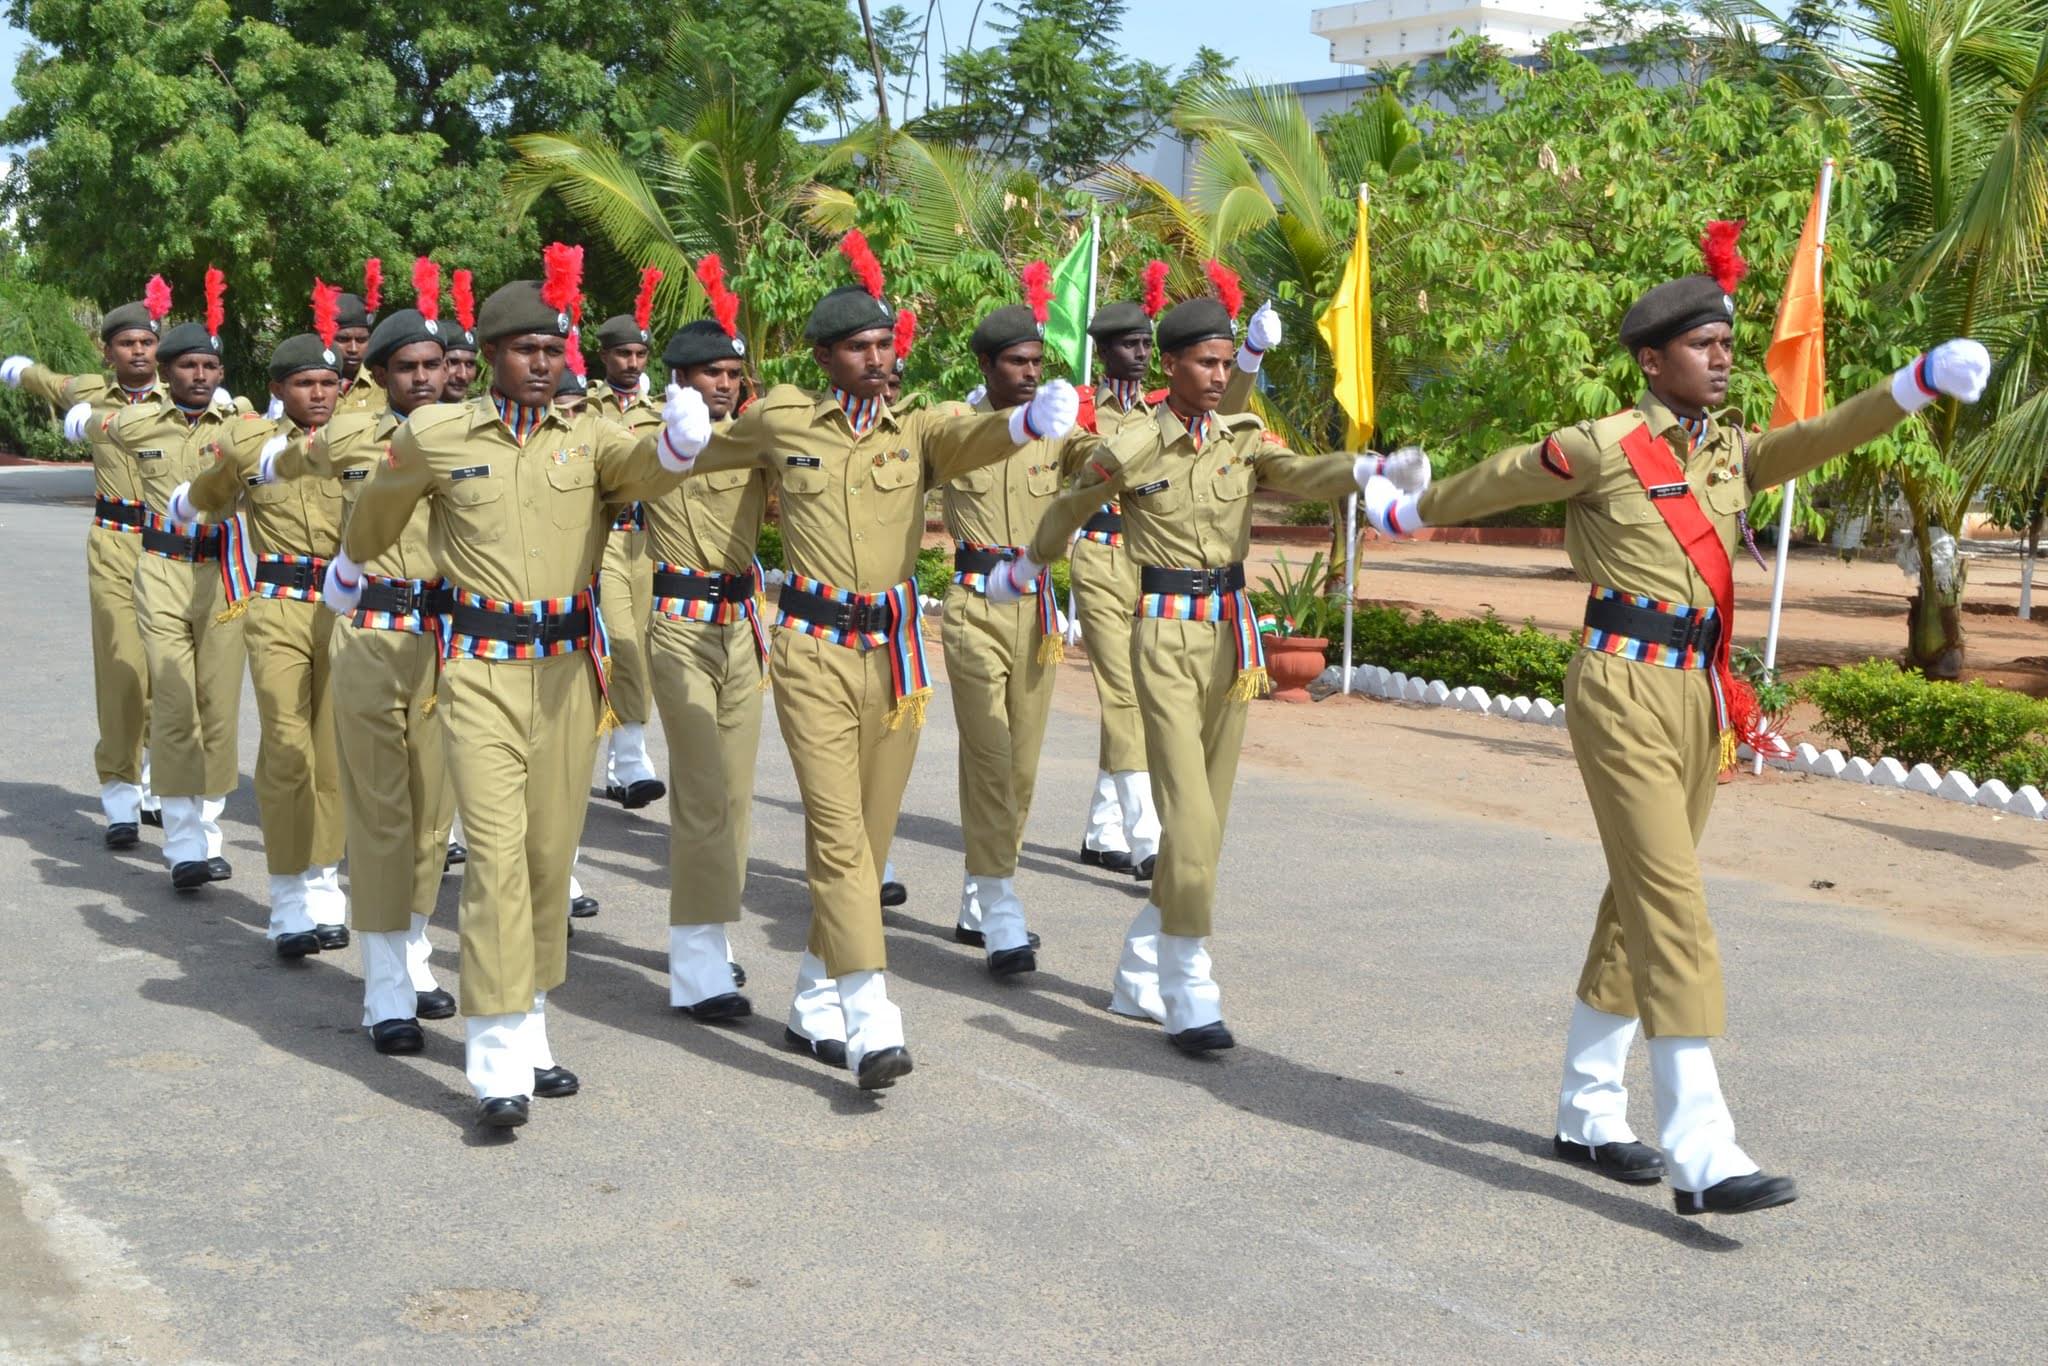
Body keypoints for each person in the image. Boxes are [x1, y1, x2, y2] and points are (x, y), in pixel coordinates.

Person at [1356, 224, 1990, 1215]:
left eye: (1727, 346)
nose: (1723, 359)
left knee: (1638, 895)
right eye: (1703, 346)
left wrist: (1911, 381)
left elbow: (1817, 434)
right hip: (1619, 683)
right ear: (1651, 359)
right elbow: (1496, 480)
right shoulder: (1602, 447)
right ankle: (1701, 1144)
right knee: (1672, 901)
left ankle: (1586, 1108)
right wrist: (1404, 511)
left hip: (1697, 693)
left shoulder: (1728, 452)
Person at [672, 231, 1087, 1088]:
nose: (876, 358)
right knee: (835, 835)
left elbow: (978, 438)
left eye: (884, 344)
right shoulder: (782, 418)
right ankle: (870, 1013)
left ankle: (814, 997)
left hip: (894, 654)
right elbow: (703, 459)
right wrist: (674, 437)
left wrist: (1023, 422)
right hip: (813, 649)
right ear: (825, 355)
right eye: (858, 347)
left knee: (869, 834)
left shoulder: (921, 429)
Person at [319, 256, 707, 1129]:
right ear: (490, 354)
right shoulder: (440, 434)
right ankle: (494, 1048)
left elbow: (646, 472)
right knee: (492, 856)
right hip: (480, 669)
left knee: (546, 858)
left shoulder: (590, 435)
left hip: (570, 672)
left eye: (552, 347)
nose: (544, 361)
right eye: (527, 348)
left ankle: (530, 1015)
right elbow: (381, 506)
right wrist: (348, 569)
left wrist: (681, 442)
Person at [990, 270, 1392, 1055]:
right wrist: (1035, 564)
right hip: (1166, 632)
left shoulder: (1240, 438)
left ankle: (1141, 962)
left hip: (1233, 637)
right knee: (1192, 818)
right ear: (1171, 365)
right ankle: (1187, 981)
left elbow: (1301, 474)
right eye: (1205, 364)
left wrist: (1368, 471)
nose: (1219, 377)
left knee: (1209, 814)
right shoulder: (1138, 443)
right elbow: (1072, 501)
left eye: (1224, 364)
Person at [267, 288, 459, 1051]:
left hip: (447, 642)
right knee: (381, 816)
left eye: (434, 364)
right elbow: (280, 464)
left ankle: (411, 948)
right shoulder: (348, 434)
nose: (422, 377)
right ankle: (384, 989)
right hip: (370, 632)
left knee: (433, 820)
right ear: (378, 373)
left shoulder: (469, 435)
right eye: (406, 366)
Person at [1070, 265, 1272, 879]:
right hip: (1104, 559)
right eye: (1126, 344)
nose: (1136, 352)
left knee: (1142, 700)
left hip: (1162, 569)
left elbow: (1226, 417)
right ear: (1104, 352)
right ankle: (1147, 835)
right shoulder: (1083, 409)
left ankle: (1102, 825)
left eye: (1142, 342)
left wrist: (1253, 356)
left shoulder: (1167, 406)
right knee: (1124, 692)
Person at [175, 313, 347, 958]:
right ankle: (286, 896)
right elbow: (207, 493)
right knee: (284, 745)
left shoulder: (356, 441)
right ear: (280, 387)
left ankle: (324, 880)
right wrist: (184, 507)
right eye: (306, 383)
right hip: (276, 606)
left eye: (330, 382)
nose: (321, 395)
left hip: (345, 609)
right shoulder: (251, 445)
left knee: (330, 750)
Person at [1, 287, 171, 847]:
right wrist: (17, 370)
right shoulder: (93, 392)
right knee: (122, 662)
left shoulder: (183, 396)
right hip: (116, 540)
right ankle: (120, 789)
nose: (139, 352)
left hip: (173, 546)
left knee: (165, 667)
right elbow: (50, 383)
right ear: (108, 350)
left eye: (148, 341)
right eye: (127, 343)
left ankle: (153, 775)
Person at [642, 259, 764, 1021]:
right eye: (712, 373)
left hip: (743, 627)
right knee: (699, 789)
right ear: (679, 377)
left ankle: (714, 933)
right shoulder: (642, 439)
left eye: (733, 374)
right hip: (678, 625)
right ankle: (695, 962)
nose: (725, 384)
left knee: (738, 794)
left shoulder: (756, 441)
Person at [102, 287, 250, 892]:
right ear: (165, 371)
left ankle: (209, 829)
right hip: (160, 569)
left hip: (224, 574)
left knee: (217, 703)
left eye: (210, 366)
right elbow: (92, 419)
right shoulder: (136, 423)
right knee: (173, 695)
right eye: (188, 365)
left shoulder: (245, 426)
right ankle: (184, 841)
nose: (200, 375)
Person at [588, 279, 666, 810]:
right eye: (623, 353)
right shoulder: (586, 408)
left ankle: (619, 763)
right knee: (622, 643)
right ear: (605, 356)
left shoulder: (662, 412)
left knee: (642, 646)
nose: (633, 362)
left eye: (640, 353)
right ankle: (633, 757)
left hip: (649, 542)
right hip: (604, 540)